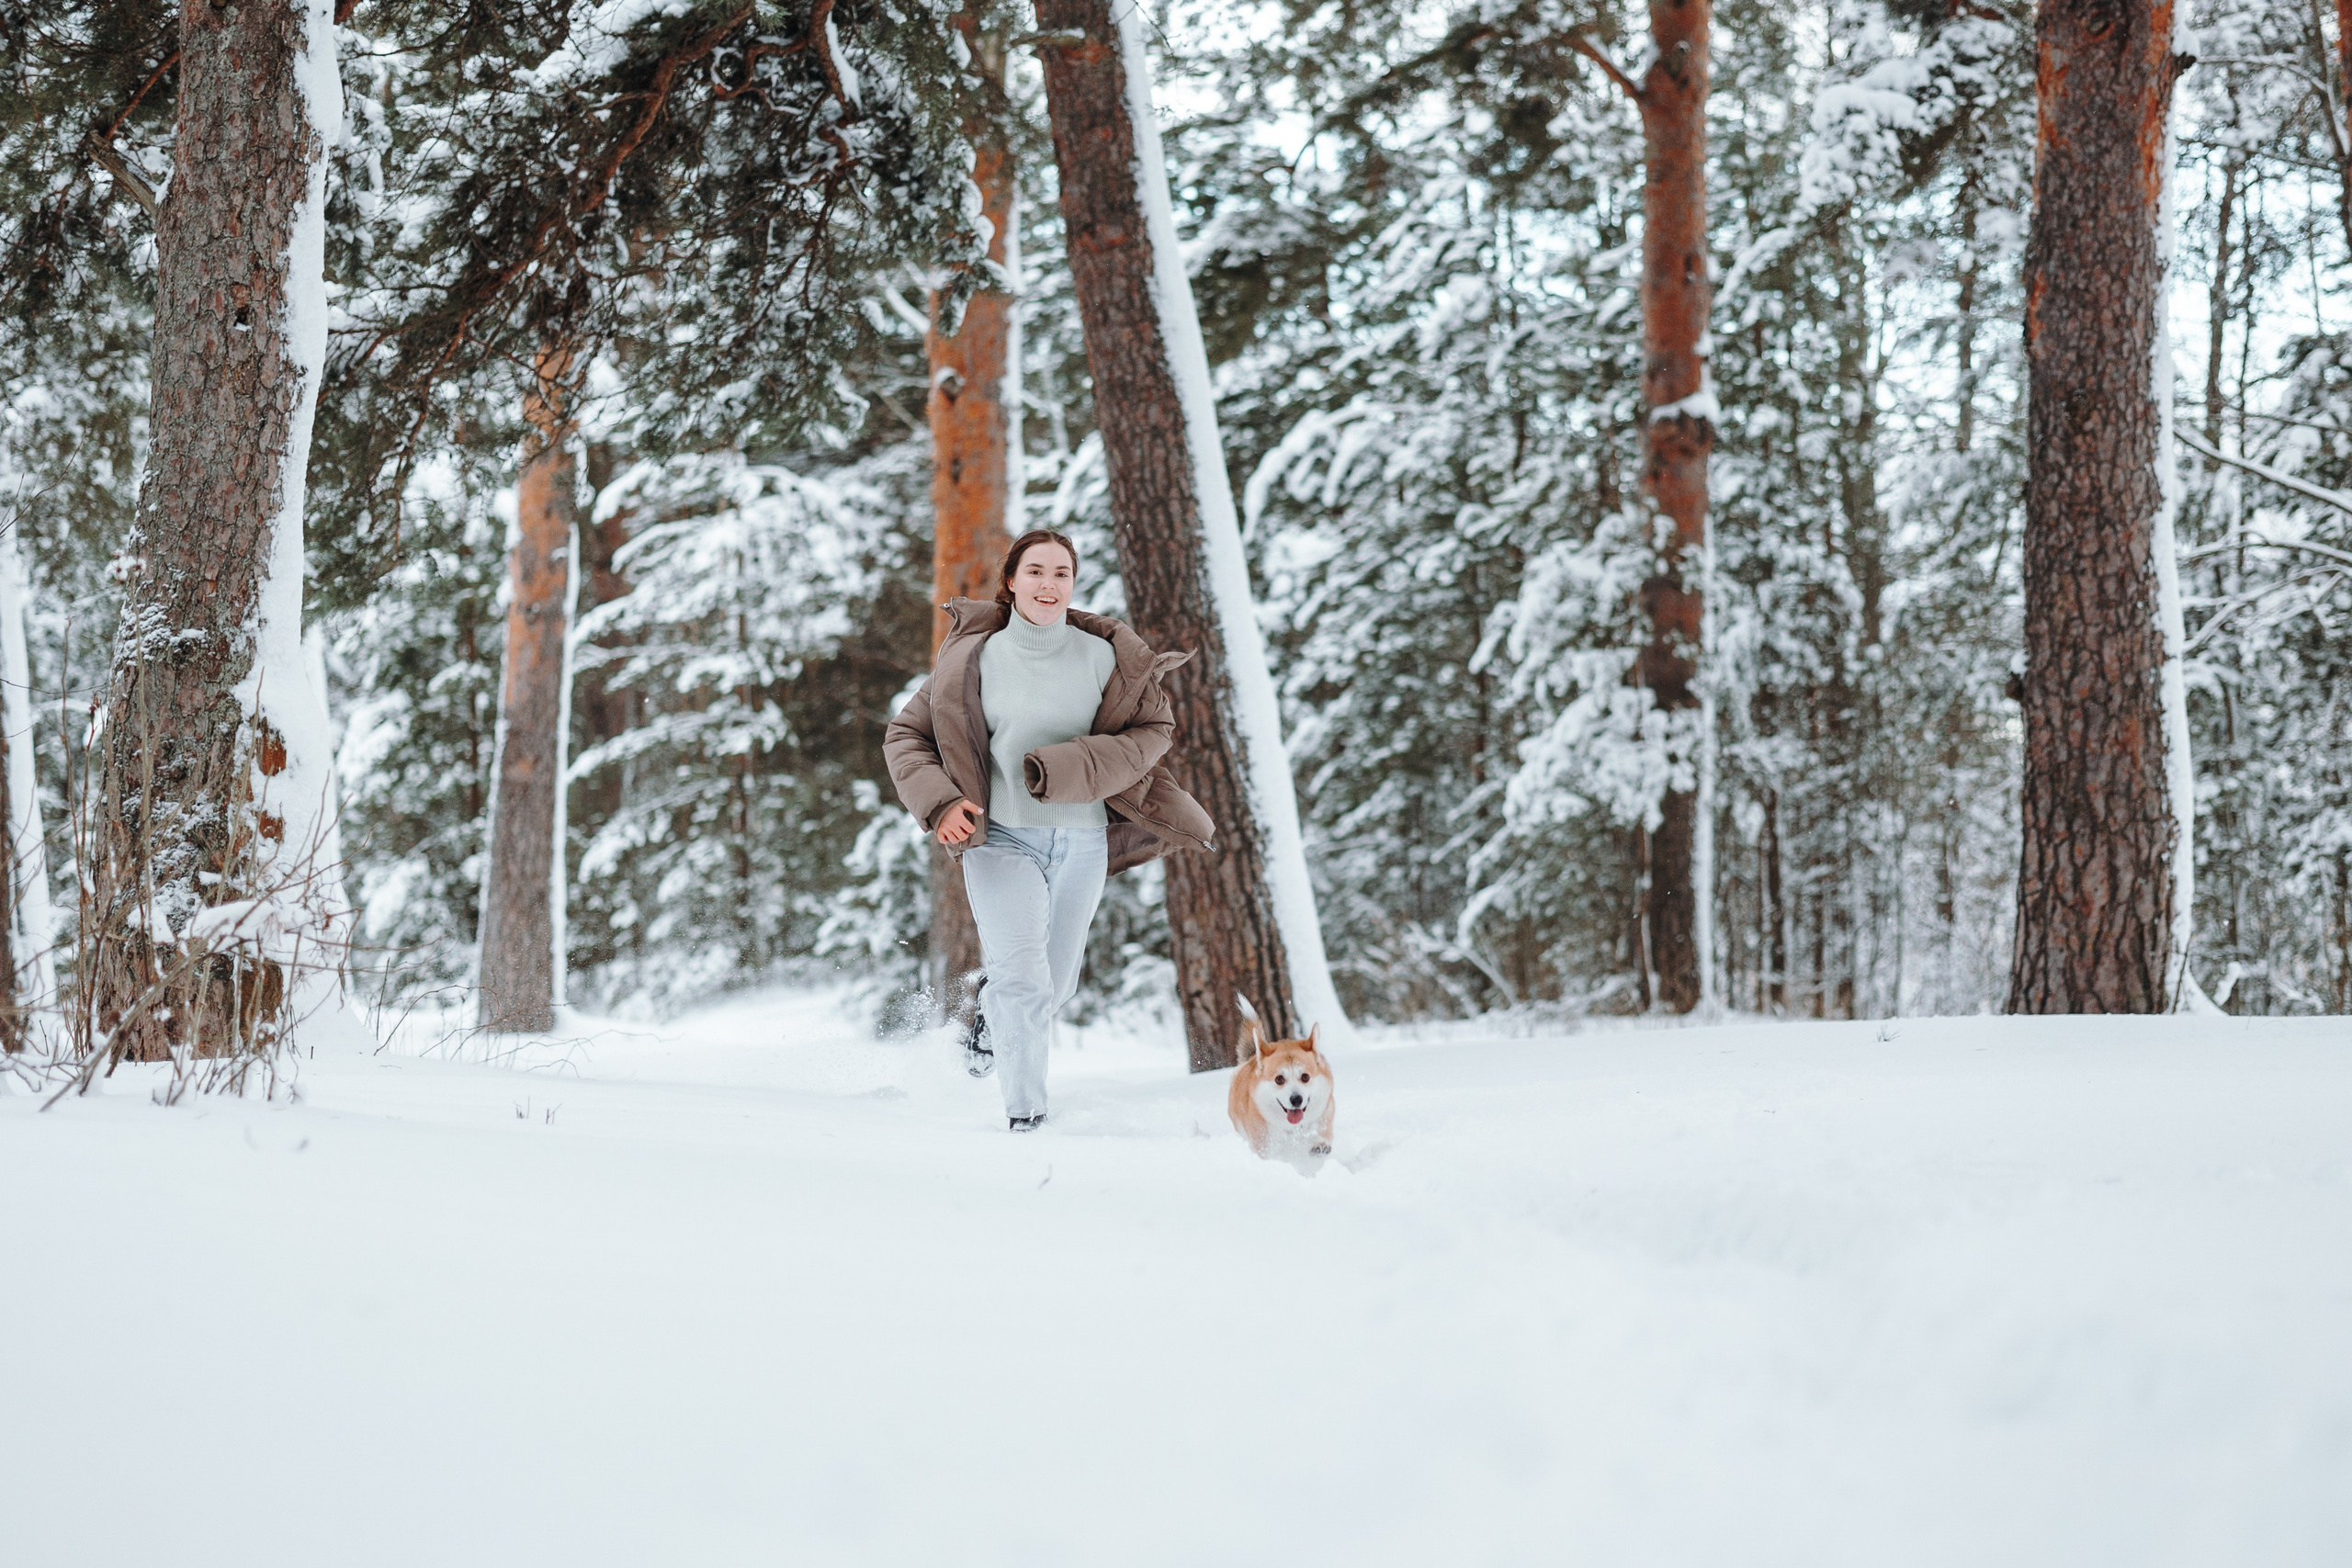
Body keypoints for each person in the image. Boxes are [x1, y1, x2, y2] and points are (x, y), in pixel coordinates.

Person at [885, 529, 1214, 1131]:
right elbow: (906, 735)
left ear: (1073, 583)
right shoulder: (972, 659)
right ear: (1011, 581)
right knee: (1023, 980)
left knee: (1054, 987)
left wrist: (1073, 767)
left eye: (1061, 572)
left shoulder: (1105, 656)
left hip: (1083, 844)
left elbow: (1154, 730)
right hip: (1000, 839)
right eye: (1035, 571)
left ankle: (990, 1022)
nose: (1048, 583)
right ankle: (1026, 1116)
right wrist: (940, 804)